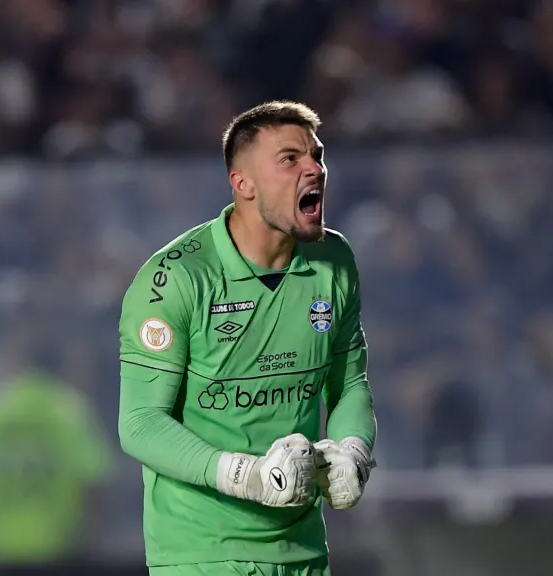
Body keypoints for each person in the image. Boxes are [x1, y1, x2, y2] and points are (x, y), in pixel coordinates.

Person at [117, 101, 377, 576]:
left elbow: (350, 385)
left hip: (302, 551)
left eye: (317, 155)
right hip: (202, 552)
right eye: (290, 159)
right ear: (243, 184)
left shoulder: (334, 261)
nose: (313, 169)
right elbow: (139, 423)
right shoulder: (176, 279)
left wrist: (352, 450)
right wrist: (245, 475)